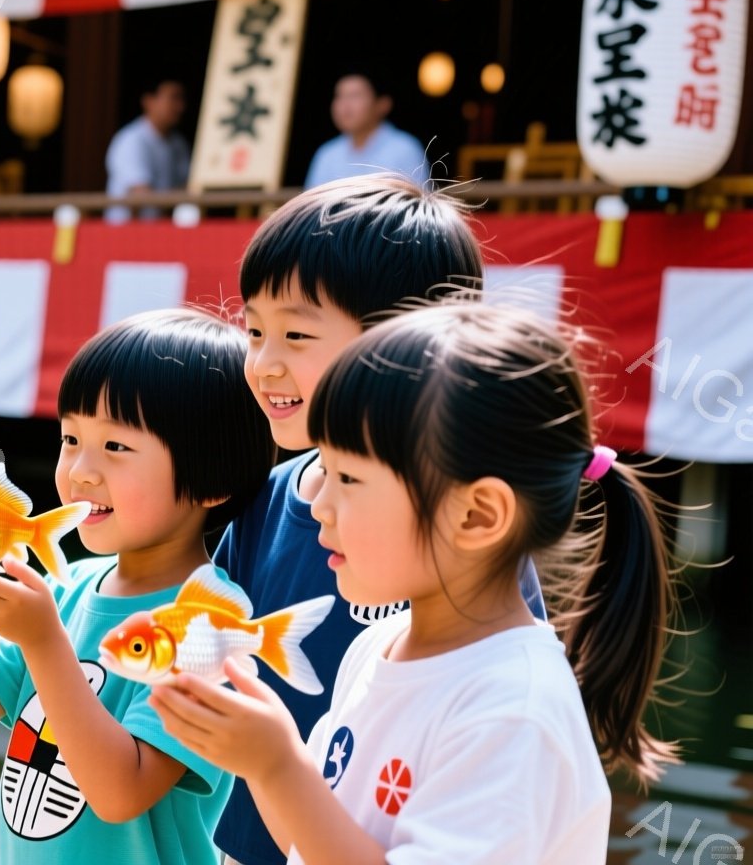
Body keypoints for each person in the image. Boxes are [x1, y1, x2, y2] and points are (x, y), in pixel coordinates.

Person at [151, 302, 678, 862]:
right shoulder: (377, 645)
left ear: (477, 515)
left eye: (349, 477)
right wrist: (265, 759)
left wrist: (279, 763)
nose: (319, 505)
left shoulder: (512, 713)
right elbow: (312, 843)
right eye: (322, 468)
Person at [181, 174, 547, 865]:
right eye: (253, 331)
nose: (263, 364)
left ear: (403, 348)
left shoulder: (461, 531)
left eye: (294, 334)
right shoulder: (265, 500)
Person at [0, 308, 278, 864]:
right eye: (71, 439)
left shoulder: (203, 631)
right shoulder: (68, 589)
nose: (81, 472)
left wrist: (43, 642)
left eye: (116, 447)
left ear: (212, 479)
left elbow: (119, 792)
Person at [304, 73, 428, 188]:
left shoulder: (405, 149)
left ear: (382, 104)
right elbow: (311, 208)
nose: (344, 105)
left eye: (355, 96)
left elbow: (417, 207)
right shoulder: (327, 154)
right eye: (339, 96)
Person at [106, 77, 192, 222]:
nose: (180, 107)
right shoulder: (132, 140)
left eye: (181, 99)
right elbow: (140, 194)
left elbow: (188, 188)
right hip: (127, 233)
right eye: (173, 98)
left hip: (163, 230)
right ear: (149, 101)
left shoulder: (178, 143)